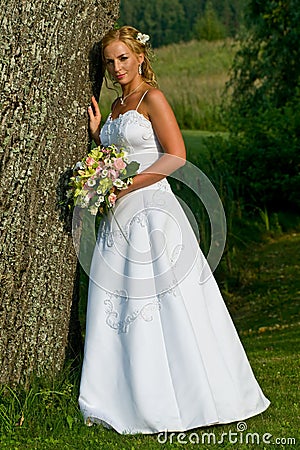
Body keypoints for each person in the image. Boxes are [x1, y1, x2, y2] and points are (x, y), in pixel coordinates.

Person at [78, 25, 270, 434]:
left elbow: (176, 157)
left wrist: (124, 185)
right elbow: (121, 153)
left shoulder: (153, 98)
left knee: (165, 301)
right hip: (119, 217)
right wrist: (99, 135)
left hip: (151, 212)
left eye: (123, 58)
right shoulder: (115, 105)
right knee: (120, 302)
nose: (116, 68)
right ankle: (121, 392)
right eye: (110, 62)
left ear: (140, 57)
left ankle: (188, 396)